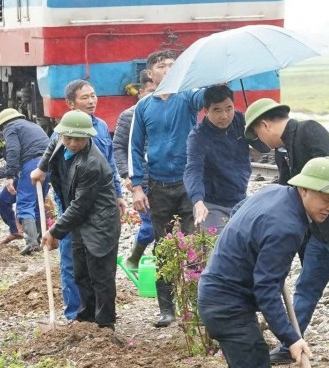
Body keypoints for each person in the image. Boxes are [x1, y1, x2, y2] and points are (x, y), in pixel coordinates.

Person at [244, 98, 329, 365]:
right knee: (305, 288)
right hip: (317, 233)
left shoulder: (309, 131)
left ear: (265, 124)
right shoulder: (283, 151)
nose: (260, 140)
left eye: (257, 133)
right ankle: (288, 343)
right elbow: (287, 191)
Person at [198, 156, 329, 368]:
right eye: (327, 199)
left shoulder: (274, 192)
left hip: (222, 297)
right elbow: (266, 289)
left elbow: (238, 211)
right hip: (226, 306)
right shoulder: (286, 227)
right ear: (304, 189)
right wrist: (291, 338)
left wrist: (256, 252)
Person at [32, 79, 124, 321]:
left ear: (88, 137)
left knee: (101, 277)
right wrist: (40, 170)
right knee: (80, 271)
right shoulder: (62, 145)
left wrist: (54, 231)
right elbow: (50, 154)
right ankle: (83, 319)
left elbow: (81, 205)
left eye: (78, 139)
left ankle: (104, 327)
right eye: (68, 138)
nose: (73, 142)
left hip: (98, 222)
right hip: (80, 217)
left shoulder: (92, 164)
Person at [129, 49, 206, 327]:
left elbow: (206, 97)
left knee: (195, 245)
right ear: (150, 73)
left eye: (174, 65)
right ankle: (167, 309)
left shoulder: (187, 97)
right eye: (162, 65)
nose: (169, 69)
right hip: (158, 187)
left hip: (189, 184)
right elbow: (135, 147)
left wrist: (214, 82)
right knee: (163, 247)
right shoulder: (144, 106)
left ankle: (198, 308)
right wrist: (137, 186)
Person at [183, 85, 251, 233]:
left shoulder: (240, 120)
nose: (225, 116)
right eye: (217, 110)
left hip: (240, 198)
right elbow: (193, 170)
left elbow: (264, 147)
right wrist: (198, 201)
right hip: (212, 204)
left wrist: (254, 128)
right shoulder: (198, 136)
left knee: (244, 248)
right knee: (215, 250)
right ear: (206, 111)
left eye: (229, 108)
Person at [0, 108, 50, 253]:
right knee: (33, 203)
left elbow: (13, 152)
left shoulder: (11, 128)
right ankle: (39, 238)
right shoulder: (32, 126)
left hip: (31, 166)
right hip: (48, 165)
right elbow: (11, 161)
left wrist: (9, 177)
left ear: (3, 125)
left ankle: (32, 243)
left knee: (25, 204)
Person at [113, 70, 156, 270]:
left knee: (170, 226)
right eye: (150, 91)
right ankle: (134, 258)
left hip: (167, 179)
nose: (154, 95)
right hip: (143, 180)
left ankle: (160, 263)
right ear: (140, 92)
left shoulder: (170, 113)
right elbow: (119, 147)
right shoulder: (129, 116)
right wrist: (126, 174)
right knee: (150, 226)